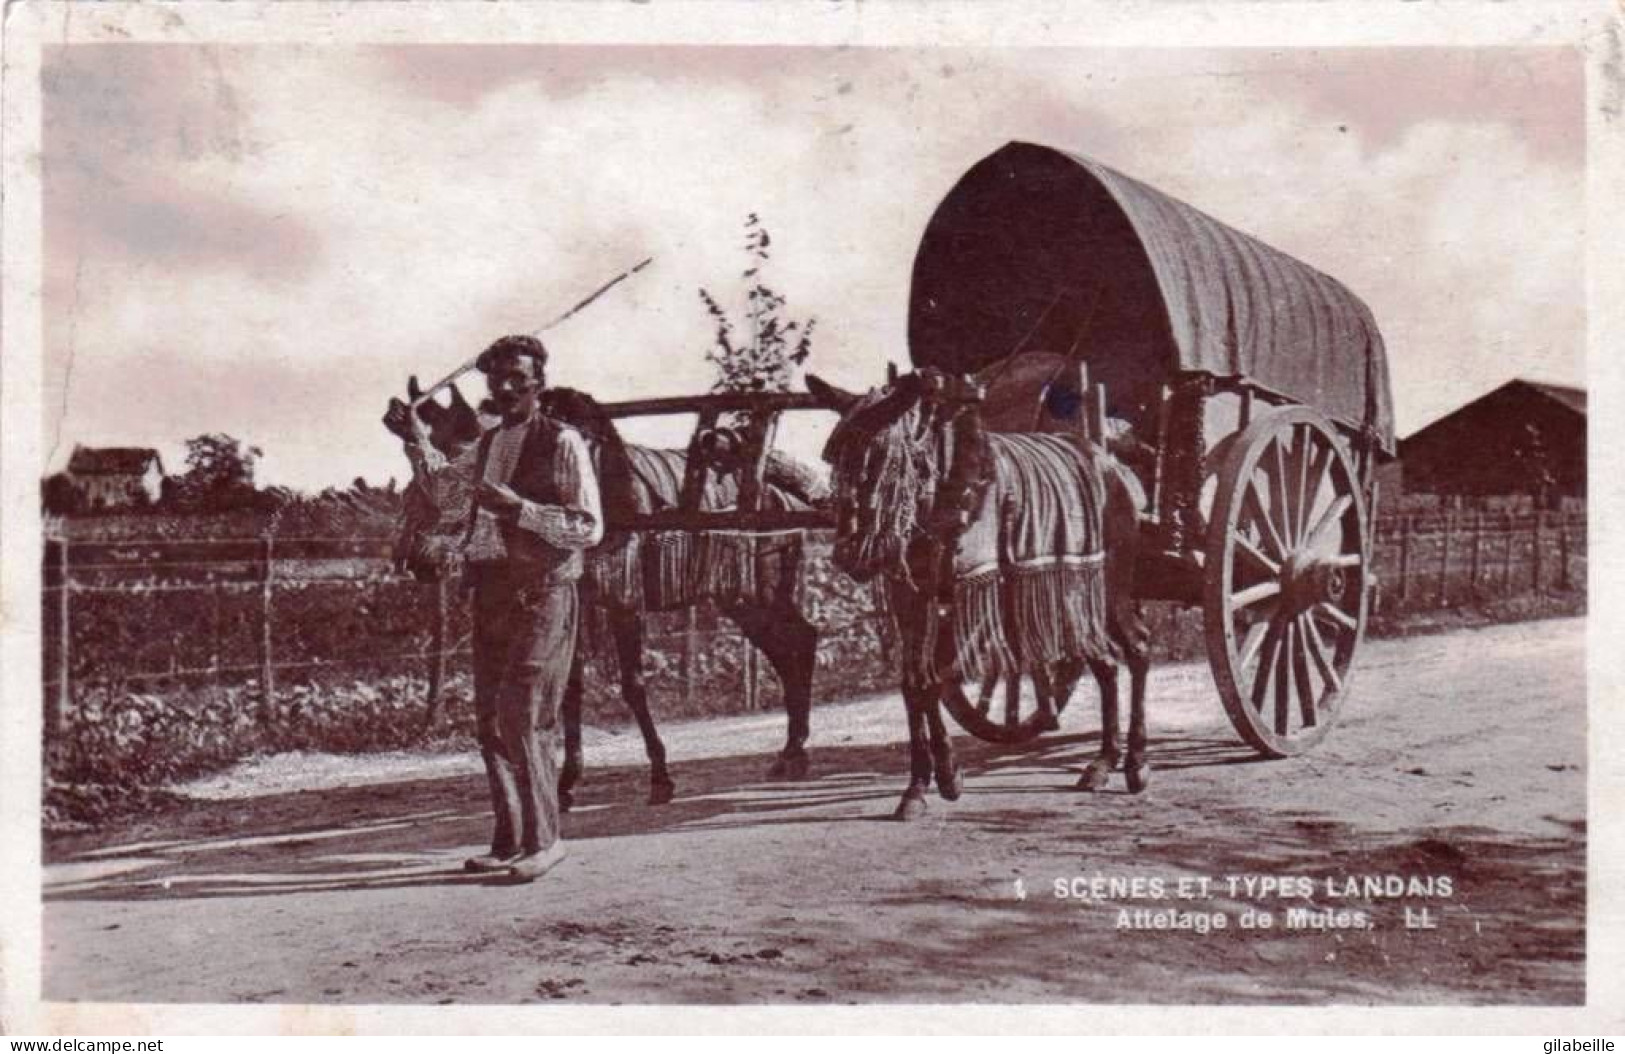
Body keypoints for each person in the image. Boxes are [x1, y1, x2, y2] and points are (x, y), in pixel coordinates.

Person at [457, 334, 603, 882]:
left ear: (539, 381)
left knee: (525, 714)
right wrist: (413, 439)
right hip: (492, 595)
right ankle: (510, 840)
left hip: (544, 593)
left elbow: (588, 527)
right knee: (491, 722)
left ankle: (547, 841)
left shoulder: (563, 442)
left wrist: (519, 509)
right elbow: (449, 495)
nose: (508, 386)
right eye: (498, 377)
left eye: (519, 376)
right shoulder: (489, 444)